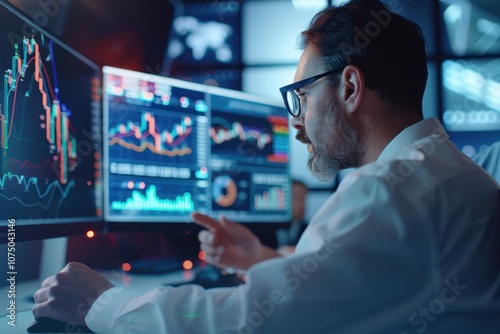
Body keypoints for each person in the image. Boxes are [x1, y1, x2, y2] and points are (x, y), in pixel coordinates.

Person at [32, 0, 500, 333]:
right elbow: (365, 276)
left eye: (302, 96)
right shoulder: (441, 173)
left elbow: (248, 322)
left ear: (351, 88)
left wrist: (101, 301)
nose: (296, 120)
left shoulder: (392, 193)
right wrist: (259, 259)